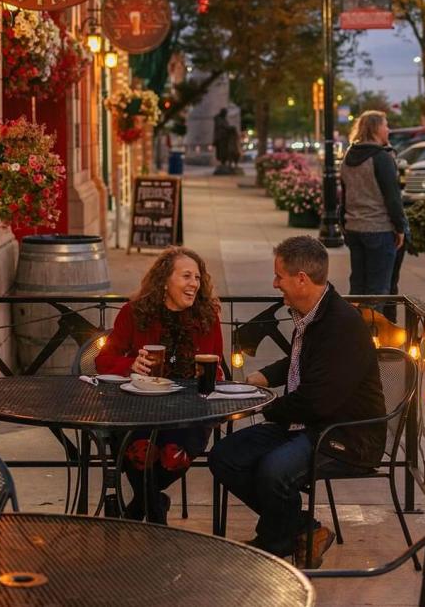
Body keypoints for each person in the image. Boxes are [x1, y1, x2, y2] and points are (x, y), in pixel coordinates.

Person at [208, 236, 386, 568]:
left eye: (280, 276)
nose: (275, 284)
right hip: (304, 422)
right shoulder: (311, 314)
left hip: (345, 434)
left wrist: (261, 406)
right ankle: (303, 531)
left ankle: (276, 545)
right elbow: (297, 361)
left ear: (301, 278)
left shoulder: (341, 325)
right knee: (226, 456)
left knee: (273, 470)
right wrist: (257, 380)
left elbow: (317, 401)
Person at [95, 246, 224, 523]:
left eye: (198, 278)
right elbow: (104, 360)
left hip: (190, 411)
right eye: (186, 276)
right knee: (136, 449)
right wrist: (130, 366)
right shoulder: (135, 312)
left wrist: (213, 376)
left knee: (171, 455)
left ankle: (139, 510)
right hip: (139, 405)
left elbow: (218, 366)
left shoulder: (207, 316)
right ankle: (155, 512)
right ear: (165, 280)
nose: (194, 284)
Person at [339, 110, 408, 305]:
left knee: (358, 286)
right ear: (376, 128)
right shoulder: (381, 158)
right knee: (378, 289)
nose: (389, 130)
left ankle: (356, 330)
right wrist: (400, 228)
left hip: (354, 228)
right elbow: (392, 198)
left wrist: (344, 223)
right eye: (386, 125)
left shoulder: (348, 157)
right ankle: (373, 332)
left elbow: (344, 195)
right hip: (379, 229)